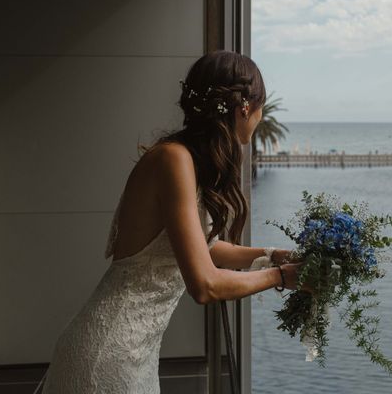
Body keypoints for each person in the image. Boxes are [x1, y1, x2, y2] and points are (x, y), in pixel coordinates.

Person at [42, 50, 308, 393]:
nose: (259, 118)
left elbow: (206, 250)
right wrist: (282, 277)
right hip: (109, 353)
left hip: (134, 353)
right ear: (245, 107)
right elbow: (205, 284)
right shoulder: (172, 159)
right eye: (260, 108)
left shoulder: (183, 159)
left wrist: (275, 255)